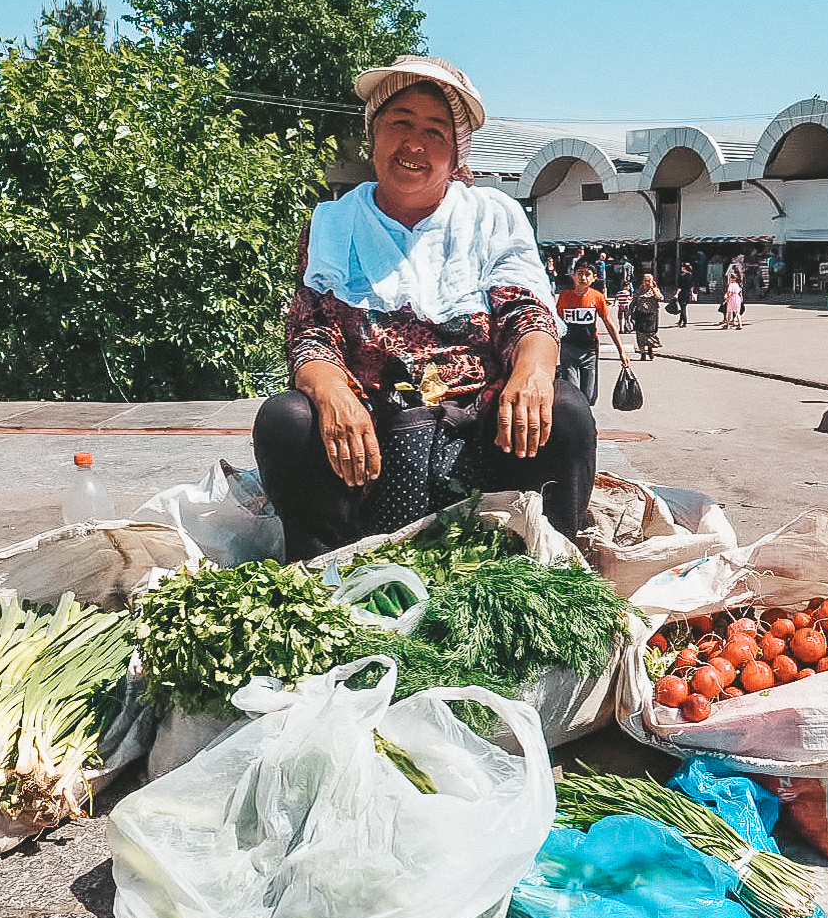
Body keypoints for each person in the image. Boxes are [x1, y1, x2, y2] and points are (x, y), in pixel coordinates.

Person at [252, 54, 596, 562]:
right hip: (368, 441)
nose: (415, 144)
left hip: (480, 433)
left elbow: (524, 310)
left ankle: (540, 572)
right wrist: (330, 393)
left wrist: (535, 369)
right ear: (373, 136)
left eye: (436, 131)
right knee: (286, 419)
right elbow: (312, 330)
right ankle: (328, 575)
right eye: (400, 123)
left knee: (563, 409)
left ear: (457, 153)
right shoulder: (335, 224)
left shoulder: (491, 216)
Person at [556, 263, 631, 405]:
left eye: (587, 274)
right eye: (579, 273)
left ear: (594, 278)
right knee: (572, 391)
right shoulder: (564, 297)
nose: (583, 277)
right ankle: (576, 425)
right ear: (573, 276)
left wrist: (621, 351)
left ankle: (584, 420)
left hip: (589, 351)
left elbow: (609, 323)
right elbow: (556, 323)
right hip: (569, 350)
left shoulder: (597, 297)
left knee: (589, 396)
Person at [631, 272, 664, 360]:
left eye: (649, 280)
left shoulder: (654, 289)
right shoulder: (639, 290)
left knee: (649, 334)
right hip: (640, 314)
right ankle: (642, 353)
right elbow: (634, 300)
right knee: (639, 334)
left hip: (651, 315)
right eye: (645, 280)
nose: (646, 282)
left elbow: (661, 298)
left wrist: (654, 290)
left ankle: (650, 349)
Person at [676, 262, 696, 328]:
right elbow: (693, 285)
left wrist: (676, 293)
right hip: (688, 293)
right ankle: (680, 320)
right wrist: (692, 292)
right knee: (684, 306)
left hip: (682, 292)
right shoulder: (691, 275)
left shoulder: (681, 276)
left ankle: (684, 321)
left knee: (682, 308)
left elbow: (680, 286)